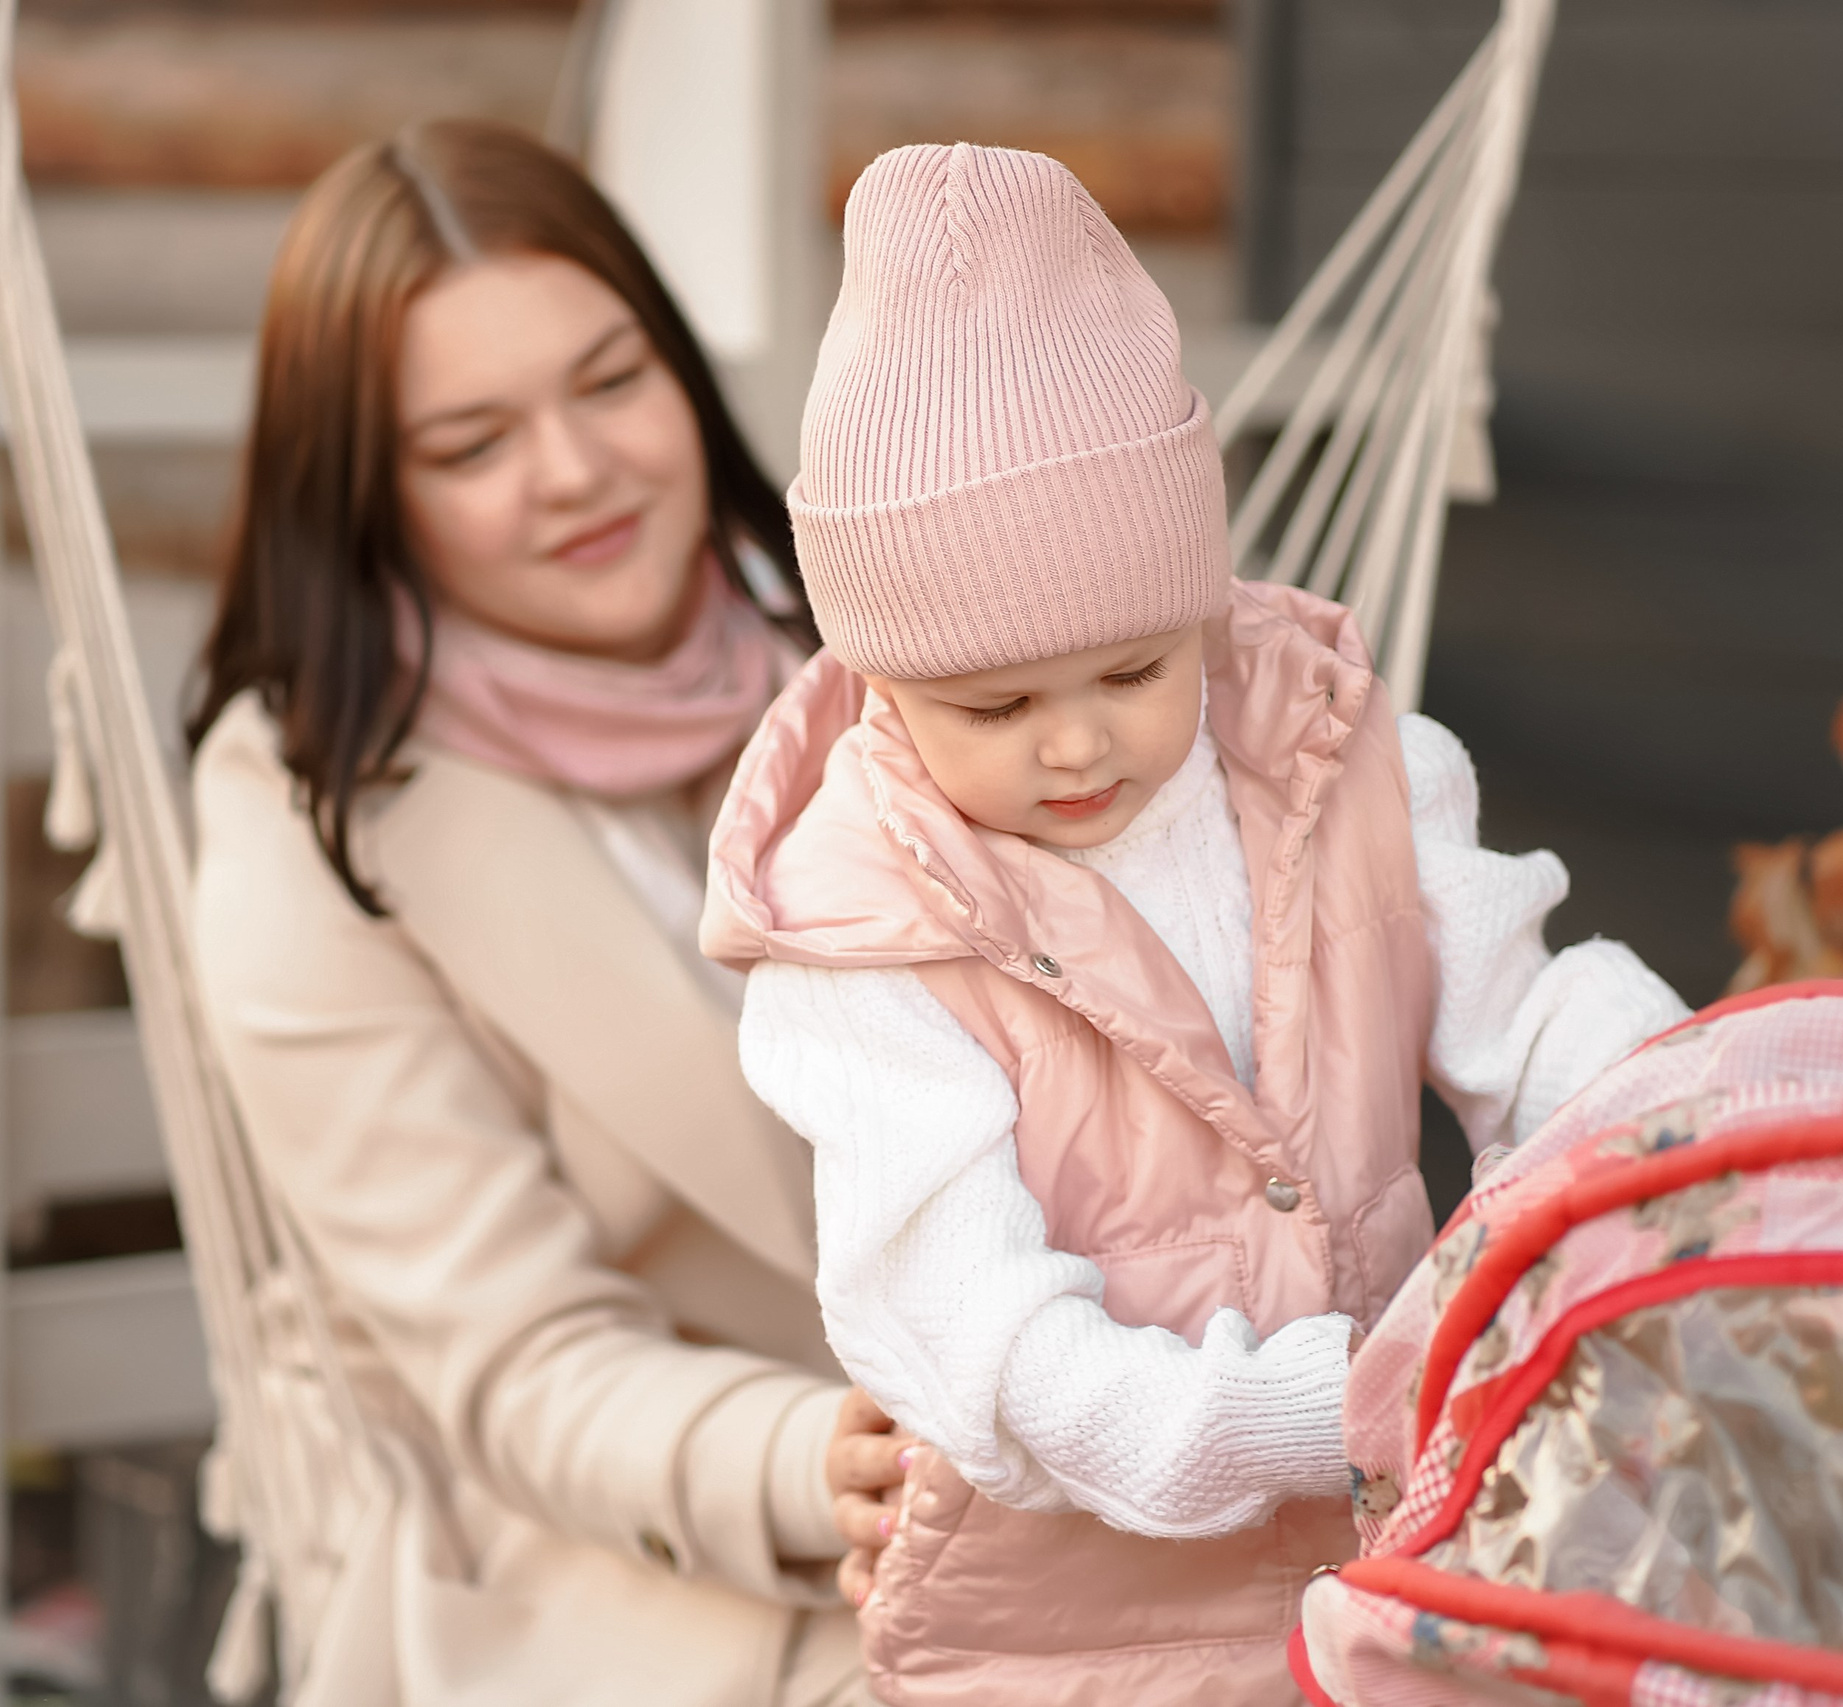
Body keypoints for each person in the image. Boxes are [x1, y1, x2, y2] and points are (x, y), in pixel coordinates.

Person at [701, 144, 1690, 1706]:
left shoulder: (1338, 759)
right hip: (1071, 1634)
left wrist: (1664, 1120)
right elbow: (989, 1340)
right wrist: (1318, 1408)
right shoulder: (869, 935)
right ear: (877, 678)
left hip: (1398, 1560)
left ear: (1204, 601)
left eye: (1134, 671)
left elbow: (1527, 1018)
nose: (1079, 745)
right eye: (998, 704)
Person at [186, 120, 894, 1706]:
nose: (576, 472)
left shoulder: (862, 640)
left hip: (1028, 1414)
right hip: (606, 1541)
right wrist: (824, 1461)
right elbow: (520, 1367)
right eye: (469, 445)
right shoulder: (307, 807)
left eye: (610, 381)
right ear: (368, 496)